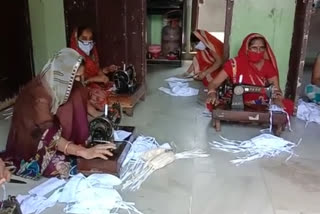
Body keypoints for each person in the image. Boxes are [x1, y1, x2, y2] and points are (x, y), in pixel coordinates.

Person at [0, 48, 116, 179]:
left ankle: (73, 145)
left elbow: (82, 103)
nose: (78, 80)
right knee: (62, 166)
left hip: (50, 128)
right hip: (31, 142)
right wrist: (84, 152)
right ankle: (72, 148)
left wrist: (100, 117)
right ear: (62, 73)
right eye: (75, 77)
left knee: (77, 90)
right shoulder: (39, 98)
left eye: (80, 77)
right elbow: (49, 135)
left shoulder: (56, 84)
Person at [206, 33, 293, 114]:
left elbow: (276, 89)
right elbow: (214, 83)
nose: (258, 51)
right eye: (254, 48)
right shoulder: (234, 64)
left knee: (288, 106)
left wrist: (277, 99)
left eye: (261, 48)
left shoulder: (267, 65)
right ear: (247, 49)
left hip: (262, 102)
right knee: (212, 103)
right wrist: (212, 94)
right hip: (237, 100)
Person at [70, 26, 119, 111]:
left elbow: (96, 70)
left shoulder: (91, 55)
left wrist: (106, 70)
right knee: (100, 96)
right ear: (75, 39)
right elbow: (78, 83)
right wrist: (92, 80)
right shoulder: (72, 57)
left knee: (115, 87)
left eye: (90, 39)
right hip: (81, 88)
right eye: (84, 38)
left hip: (92, 84)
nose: (87, 42)